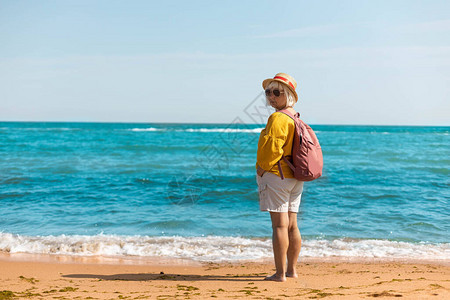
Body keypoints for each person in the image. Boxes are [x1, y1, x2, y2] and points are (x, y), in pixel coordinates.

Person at [256, 73, 304, 282]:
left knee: (279, 226)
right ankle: (291, 270)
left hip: (278, 175)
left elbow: (272, 148)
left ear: (289, 95)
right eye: (268, 92)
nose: (271, 96)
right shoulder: (295, 116)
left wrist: (261, 168)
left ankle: (279, 273)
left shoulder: (277, 118)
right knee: (292, 224)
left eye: (277, 92)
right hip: (295, 176)